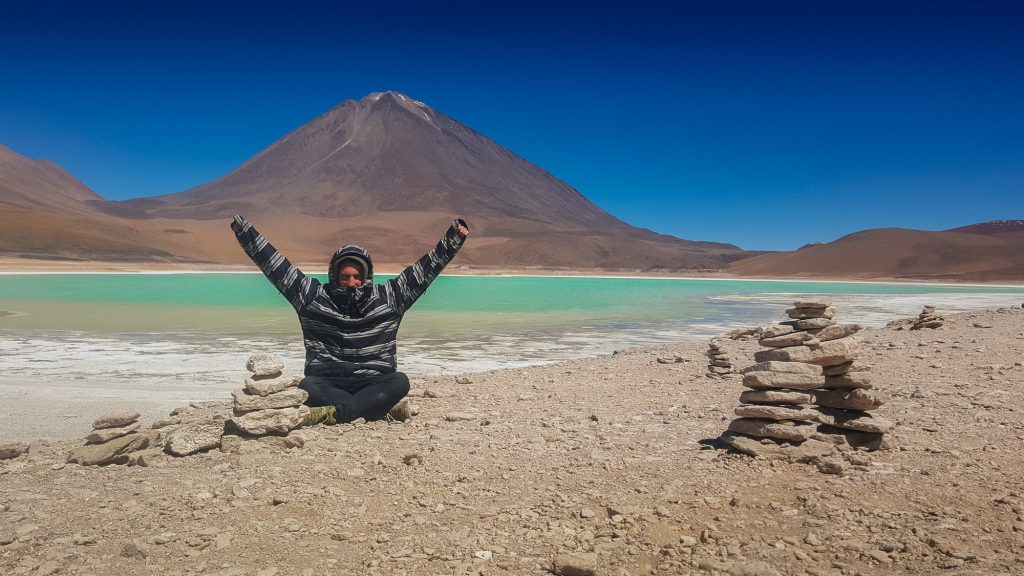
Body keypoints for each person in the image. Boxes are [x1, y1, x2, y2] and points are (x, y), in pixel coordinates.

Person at [230, 214, 469, 425]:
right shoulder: (313, 298)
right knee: (307, 386)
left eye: (357, 276)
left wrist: (453, 239)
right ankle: (373, 411)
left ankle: (338, 414)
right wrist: (245, 233)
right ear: (335, 275)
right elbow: (277, 266)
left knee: (400, 382)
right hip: (326, 382)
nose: (351, 282)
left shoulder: (389, 299)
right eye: (345, 276)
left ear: (366, 276)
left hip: (375, 381)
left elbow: (424, 271)